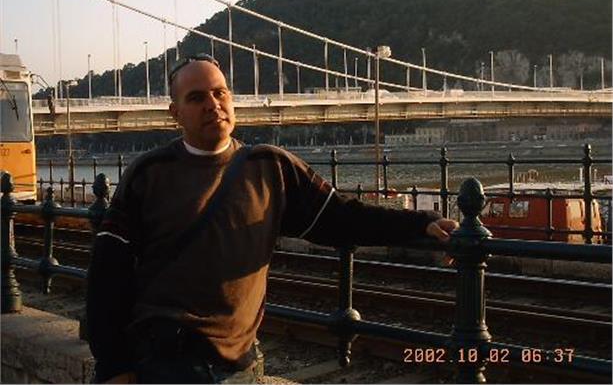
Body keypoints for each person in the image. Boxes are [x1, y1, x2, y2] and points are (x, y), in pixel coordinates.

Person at [86, 53, 457, 384]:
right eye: (196, 98)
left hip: (242, 366)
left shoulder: (271, 167)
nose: (212, 104)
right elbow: (107, 276)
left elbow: (341, 217)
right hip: (166, 364)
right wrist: (113, 367)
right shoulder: (148, 174)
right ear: (175, 113)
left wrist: (419, 223)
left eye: (219, 93)